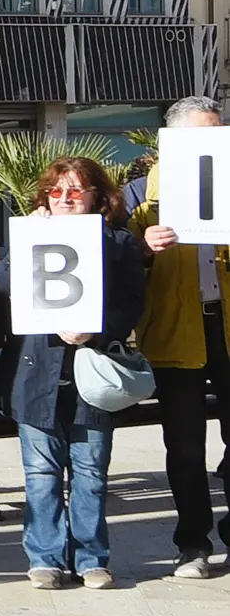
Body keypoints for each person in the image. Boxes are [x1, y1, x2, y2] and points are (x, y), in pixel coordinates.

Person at [0, 156, 149, 588]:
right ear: (45, 196)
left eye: (76, 191)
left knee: (91, 472)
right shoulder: (30, 235)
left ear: (97, 197)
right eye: (57, 191)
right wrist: (30, 236)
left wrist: (96, 331)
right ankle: (44, 557)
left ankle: (91, 557)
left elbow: (133, 304)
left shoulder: (118, 242)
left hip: (92, 375)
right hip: (36, 372)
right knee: (41, 474)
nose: (65, 199)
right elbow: (2, 285)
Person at [133, 96, 230, 577]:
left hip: (228, 328)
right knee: (186, 447)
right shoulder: (140, 197)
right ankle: (193, 544)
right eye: (200, 134)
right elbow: (114, 261)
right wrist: (143, 248)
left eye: (217, 131)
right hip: (174, 335)